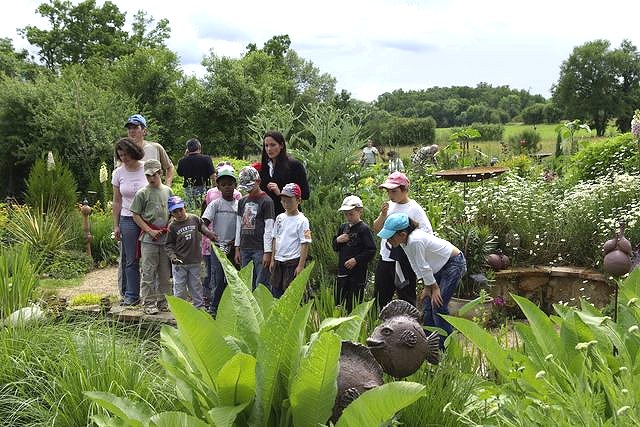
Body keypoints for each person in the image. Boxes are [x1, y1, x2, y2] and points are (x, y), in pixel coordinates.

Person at [378, 213, 466, 350]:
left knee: (438, 305)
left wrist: (435, 288)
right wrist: (427, 286)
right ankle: (429, 347)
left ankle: (446, 349)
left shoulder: (415, 240)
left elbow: (423, 266)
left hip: (453, 263)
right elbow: (415, 264)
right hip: (436, 269)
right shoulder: (405, 242)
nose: (388, 240)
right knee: (427, 305)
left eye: (390, 237)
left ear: (401, 234)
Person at [373, 171, 432, 309]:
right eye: (388, 192)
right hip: (386, 257)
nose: (390, 195)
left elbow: (427, 234)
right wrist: (383, 215)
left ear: (404, 190)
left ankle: (409, 325)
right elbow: (376, 229)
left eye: (394, 191)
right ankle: (380, 325)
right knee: (380, 295)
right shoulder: (389, 206)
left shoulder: (414, 209)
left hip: (404, 260)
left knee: (406, 295)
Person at [130, 159, 174, 315]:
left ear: (160, 173)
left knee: (164, 272)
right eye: (148, 175)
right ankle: (148, 302)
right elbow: (135, 215)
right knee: (148, 271)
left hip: (164, 238)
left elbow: (173, 210)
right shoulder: (142, 193)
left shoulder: (168, 191)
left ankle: (163, 301)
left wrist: (170, 223)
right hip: (149, 240)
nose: (151, 178)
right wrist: (149, 230)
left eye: (154, 175)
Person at [200, 164, 241, 311]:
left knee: (234, 278)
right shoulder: (215, 204)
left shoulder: (239, 205)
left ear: (235, 185)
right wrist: (209, 234)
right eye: (224, 185)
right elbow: (202, 224)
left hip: (234, 247)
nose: (227, 187)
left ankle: (233, 308)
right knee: (217, 278)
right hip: (218, 247)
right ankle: (214, 308)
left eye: (230, 184)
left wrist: (236, 242)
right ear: (218, 187)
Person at [111, 137, 147, 306]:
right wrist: (116, 225)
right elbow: (117, 201)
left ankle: (153, 296)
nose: (124, 158)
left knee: (150, 257)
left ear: (133, 152)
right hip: (127, 217)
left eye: (126, 154)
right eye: (120, 155)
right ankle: (132, 294)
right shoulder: (118, 173)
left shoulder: (146, 168)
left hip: (148, 218)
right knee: (130, 258)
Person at [165, 195, 216, 309]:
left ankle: (199, 307)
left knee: (196, 285)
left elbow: (202, 226)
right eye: (175, 211)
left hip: (195, 260)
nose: (179, 213)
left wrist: (209, 234)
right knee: (179, 286)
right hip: (179, 262)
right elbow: (168, 245)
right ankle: (180, 308)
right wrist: (173, 257)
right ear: (171, 213)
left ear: (185, 207)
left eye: (180, 210)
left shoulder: (194, 218)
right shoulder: (172, 226)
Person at [332, 195, 377, 312]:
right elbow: (335, 248)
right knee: (339, 300)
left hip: (358, 274)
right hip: (343, 271)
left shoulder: (364, 229)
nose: (348, 217)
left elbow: (371, 250)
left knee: (354, 302)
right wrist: (337, 240)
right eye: (346, 214)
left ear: (359, 211)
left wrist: (356, 260)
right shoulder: (343, 227)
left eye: (351, 214)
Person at [235, 166, 275, 290]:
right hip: (244, 247)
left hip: (260, 248)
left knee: (261, 283)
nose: (248, 190)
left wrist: (268, 252)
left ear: (258, 181)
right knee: (246, 284)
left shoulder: (266, 201)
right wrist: (237, 247)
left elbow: (269, 228)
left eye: (250, 186)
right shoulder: (242, 201)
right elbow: (238, 225)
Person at [270, 183, 312, 298]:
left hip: (292, 262)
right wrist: (273, 259)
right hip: (279, 260)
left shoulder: (303, 221)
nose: (285, 203)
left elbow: (305, 243)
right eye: (283, 200)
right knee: (276, 293)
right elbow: (275, 238)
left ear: (298, 201)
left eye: (289, 200)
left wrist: (301, 265)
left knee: (291, 295)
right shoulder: (279, 218)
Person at [259, 130, 310, 216]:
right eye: (266, 145)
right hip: (267, 217)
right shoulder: (264, 168)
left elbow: (305, 194)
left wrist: (281, 192)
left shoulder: (295, 166)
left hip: (289, 217)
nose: (269, 149)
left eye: (273, 145)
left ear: (281, 145)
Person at [176, 138, 215, 211]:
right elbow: (213, 175)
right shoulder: (206, 159)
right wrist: (214, 189)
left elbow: (180, 173)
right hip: (204, 188)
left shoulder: (182, 161)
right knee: (205, 209)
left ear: (187, 149)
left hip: (189, 189)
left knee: (192, 209)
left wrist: (185, 156)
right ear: (199, 147)